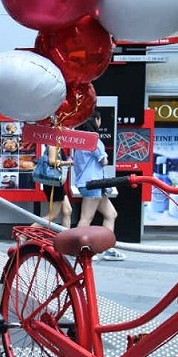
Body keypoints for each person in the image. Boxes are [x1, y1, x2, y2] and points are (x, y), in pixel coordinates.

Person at [71, 111, 125, 261]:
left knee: (111, 214)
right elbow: (104, 161)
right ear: (96, 120)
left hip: (89, 183)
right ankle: (78, 250)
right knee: (86, 218)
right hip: (94, 183)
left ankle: (107, 248)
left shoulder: (79, 142)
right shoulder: (94, 140)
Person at [38, 142, 73, 227]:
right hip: (54, 183)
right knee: (53, 215)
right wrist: (68, 163)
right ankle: (24, 233)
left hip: (57, 182)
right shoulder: (53, 145)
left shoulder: (57, 145)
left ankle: (65, 235)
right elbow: (52, 161)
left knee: (67, 210)